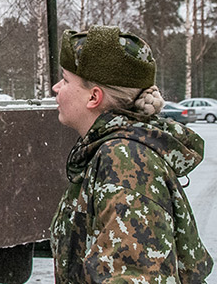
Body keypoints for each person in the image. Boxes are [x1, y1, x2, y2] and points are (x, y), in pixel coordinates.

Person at [50, 25, 212, 283]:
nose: (56, 88)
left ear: (94, 97)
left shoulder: (125, 160)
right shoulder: (110, 149)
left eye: (66, 80)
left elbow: (136, 276)